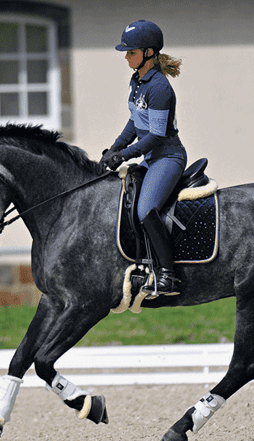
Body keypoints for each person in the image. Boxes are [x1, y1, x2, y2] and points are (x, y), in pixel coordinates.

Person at [100, 19, 186, 296]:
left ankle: (169, 276)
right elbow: (134, 122)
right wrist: (114, 149)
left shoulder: (159, 87)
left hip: (167, 157)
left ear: (148, 52)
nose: (126, 56)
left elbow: (156, 136)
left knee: (145, 209)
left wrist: (125, 155)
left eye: (131, 51)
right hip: (150, 157)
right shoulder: (137, 80)